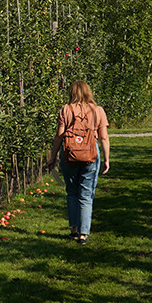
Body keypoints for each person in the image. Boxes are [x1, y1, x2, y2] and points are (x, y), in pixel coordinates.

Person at [47, 80, 110, 245]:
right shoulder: (98, 111)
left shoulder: (66, 110)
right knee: (86, 194)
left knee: (72, 192)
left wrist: (53, 157)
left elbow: (59, 136)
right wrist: (106, 159)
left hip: (69, 155)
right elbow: (103, 137)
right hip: (90, 155)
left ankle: (74, 230)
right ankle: (83, 234)